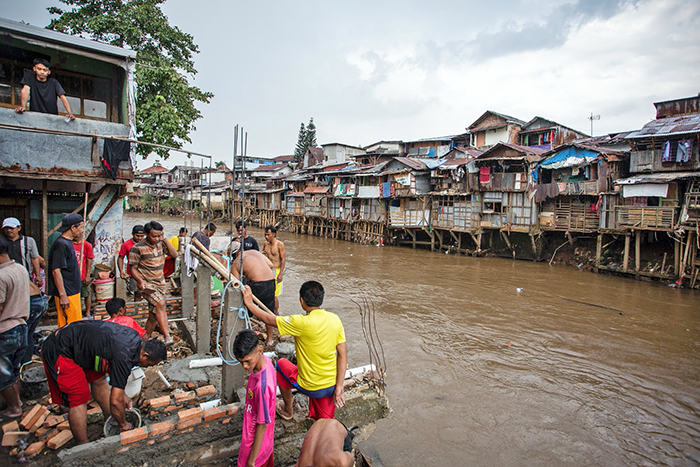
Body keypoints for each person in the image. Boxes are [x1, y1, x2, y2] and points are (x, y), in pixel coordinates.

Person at [40, 320, 166, 444]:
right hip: (60, 349)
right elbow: (115, 402)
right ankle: (82, 444)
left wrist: (123, 394)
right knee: (78, 398)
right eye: (148, 364)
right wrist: (123, 424)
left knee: (99, 380)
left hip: (83, 347)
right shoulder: (124, 356)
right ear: (144, 355)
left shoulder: (134, 341)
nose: (146, 367)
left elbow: (115, 367)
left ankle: (109, 419)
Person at [242, 281, 347, 420]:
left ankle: (287, 410)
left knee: (281, 364)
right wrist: (339, 386)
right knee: (325, 420)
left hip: (311, 386)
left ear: (301, 300)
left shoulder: (300, 322)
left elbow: (268, 319)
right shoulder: (335, 319)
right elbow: (342, 354)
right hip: (332, 385)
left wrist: (249, 304)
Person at [1, 217, 47, 363]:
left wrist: (37, 274)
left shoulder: (28, 242)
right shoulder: (4, 244)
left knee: (22, 329)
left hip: (24, 287)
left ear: (19, 227)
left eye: (12, 228)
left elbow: (35, 258)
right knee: (25, 331)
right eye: (6, 228)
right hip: (22, 287)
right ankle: (23, 362)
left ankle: (22, 362)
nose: (9, 230)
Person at [128, 221, 178, 345]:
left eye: (158, 236)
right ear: (146, 234)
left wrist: (165, 240)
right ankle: (167, 337)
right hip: (147, 284)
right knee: (160, 304)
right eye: (153, 236)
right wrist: (140, 281)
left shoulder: (161, 244)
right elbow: (132, 268)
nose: (156, 239)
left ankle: (145, 337)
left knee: (153, 313)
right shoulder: (137, 248)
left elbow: (174, 254)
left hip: (160, 283)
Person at [233, 329, 276, 467]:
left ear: (259, 351)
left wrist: (251, 461)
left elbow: (262, 424)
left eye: (247, 361)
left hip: (254, 447)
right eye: (240, 362)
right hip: (264, 443)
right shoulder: (265, 363)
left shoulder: (262, 386)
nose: (244, 366)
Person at [0, 237, 30, 418]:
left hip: (6, 330)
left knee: (4, 375)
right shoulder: (20, 268)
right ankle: (16, 402)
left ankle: (14, 408)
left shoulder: (2, 276)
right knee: (14, 369)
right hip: (21, 327)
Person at [230, 241, 277, 346]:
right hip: (270, 282)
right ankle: (270, 340)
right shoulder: (255, 252)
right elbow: (270, 264)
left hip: (257, 284)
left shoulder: (237, 262)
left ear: (234, 254)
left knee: (246, 310)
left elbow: (236, 285)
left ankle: (246, 336)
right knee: (269, 311)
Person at [48, 213, 84, 327]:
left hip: (73, 291)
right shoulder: (61, 244)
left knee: (76, 324)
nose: (82, 230)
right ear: (73, 227)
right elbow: (56, 270)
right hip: (67, 293)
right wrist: (63, 295)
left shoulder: (68, 242)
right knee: (68, 327)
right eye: (81, 227)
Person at [262, 225, 286, 314]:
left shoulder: (279, 244)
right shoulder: (265, 244)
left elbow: (283, 259)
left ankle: (276, 312)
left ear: (274, 234)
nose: (266, 237)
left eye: (268, 235)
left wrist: (280, 274)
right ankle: (267, 310)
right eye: (265, 235)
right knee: (267, 292)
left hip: (276, 270)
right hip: (267, 270)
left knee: (274, 295)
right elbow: (263, 254)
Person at [117, 225, 145, 299]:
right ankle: (137, 307)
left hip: (145, 272)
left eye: (142, 236)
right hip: (133, 273)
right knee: (136, 293)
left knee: (148, 292)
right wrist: (121, 270)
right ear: (132, 234)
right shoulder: (126, 244)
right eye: (137, 236)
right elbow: (120, 257)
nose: (139, 238)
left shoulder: (147, 243)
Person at [73, 232, 94, 318]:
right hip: (73, 276)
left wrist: (87, 275)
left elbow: (89, 261)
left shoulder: (86, 245)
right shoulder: (69, 244)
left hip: (83, 274)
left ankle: (87, 312)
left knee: (86, 293)